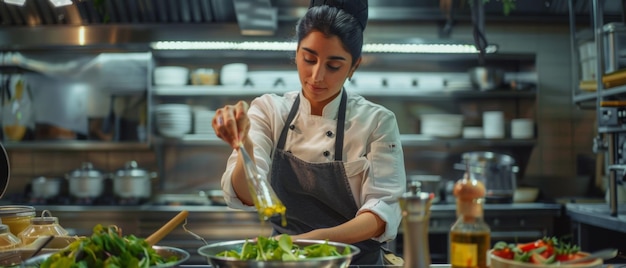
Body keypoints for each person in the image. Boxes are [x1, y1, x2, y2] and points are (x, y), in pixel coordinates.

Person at [212, 0, 406, 265]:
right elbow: (249, 195)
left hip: (355, 262)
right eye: (309, 59)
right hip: (285, 260)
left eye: (333, 66)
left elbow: (381, 212)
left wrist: (311, 241)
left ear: (354, 67)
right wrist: (242, 143)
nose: (317, 76)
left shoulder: (377, 121)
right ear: (297, 51)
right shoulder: (269, 110)